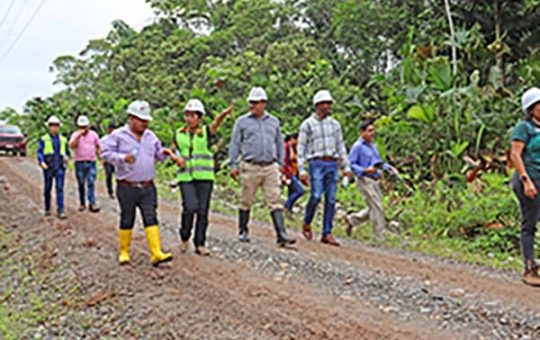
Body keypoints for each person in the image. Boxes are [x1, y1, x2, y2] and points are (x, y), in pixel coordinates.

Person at [101, 100, 173, 267]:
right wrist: (122, 158)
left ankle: (156, 252)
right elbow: (105, 153)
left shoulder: (151, 136)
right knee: (127, 217)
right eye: (141, 120)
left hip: (148, 186)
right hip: (127, 186)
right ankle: (124, 251)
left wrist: (166, 153)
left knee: (151, 216)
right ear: (131, 118)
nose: (144, 123)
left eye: (146, 120)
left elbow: (158, 155)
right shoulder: (118, 135)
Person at [229, 87, 296, 246]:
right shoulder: (242, 122)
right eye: (250, 103)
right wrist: (233, 163)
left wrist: (280, 164)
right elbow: (235, 143)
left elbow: (279, 143)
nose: (252, 106)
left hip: (270, 167)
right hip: (250, 166)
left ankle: (281, 234)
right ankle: (243, 230)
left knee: (275, 200)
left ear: (263, 103)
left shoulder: (273, 122)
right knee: (246, 199)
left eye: (255, 103)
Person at [170, 99, 233, 256]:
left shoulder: (205, 132)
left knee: (203, 211)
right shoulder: (179, 133)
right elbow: (173, 151)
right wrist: (176, 158)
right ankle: (184, 237)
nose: (190, 119)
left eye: (193, 115)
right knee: (190, 207)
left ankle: (200, 243)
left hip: (205, 176)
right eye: (187, 115)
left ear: (199, 118)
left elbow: (216, 123)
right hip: (186, 177)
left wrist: (223, 114)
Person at [297, 90, 352, 246]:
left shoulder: (335, 125)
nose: (329, 106)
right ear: (318, 105)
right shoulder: (307, 125)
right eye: (326, 103)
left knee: (331, 198)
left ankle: (327, 232)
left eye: (330, 103)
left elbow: (341, 146)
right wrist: (302, 170)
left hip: (332, 163)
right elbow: (301, 149)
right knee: (315, 195)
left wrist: (345, 166)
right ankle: (307, 221)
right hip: (316, 163)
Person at [346, 120, 398, 241]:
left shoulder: (373, 145)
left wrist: (390, 168)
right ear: (362, 132)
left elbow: (378, 162)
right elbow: (351, 164)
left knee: (374, 207)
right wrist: (364, 170)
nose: (372, 133)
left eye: (373, 130)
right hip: (365, 179)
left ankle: (352, 220)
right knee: (377, 207)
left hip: (375, 179)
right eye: (369, 131)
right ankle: (379, 236)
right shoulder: (357, 146)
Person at [510, 87, 540, 286]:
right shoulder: (524, 128)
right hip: (528, 179)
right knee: (529, 224)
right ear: (532, 108)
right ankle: (529, 269)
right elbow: (515, 155)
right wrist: (525, 180)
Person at [37, 115, 70, 219]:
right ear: (49, 127)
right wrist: (41, 162)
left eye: (56, 125)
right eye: (52, 125)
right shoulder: (44, 139)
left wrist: (67, 158)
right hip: (48, 167)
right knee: (48, 188)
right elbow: (40, 152)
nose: (54, 128)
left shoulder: (63, 140)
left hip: (60, 167)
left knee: (59, 188)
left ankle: (60, 210)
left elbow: (68, 152)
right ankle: (47, 208)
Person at [69, 115, 101, 212]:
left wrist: (101, 158)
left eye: (85, 127)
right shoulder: (75, 135)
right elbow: (71, 146)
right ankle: (82, 203)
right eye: (81, 127)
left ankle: (92, 203)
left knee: (91, 182)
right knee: (81, 183)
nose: (83, 129)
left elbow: (98, 146)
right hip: (79, 162)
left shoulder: (94, 135)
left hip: (91, 162)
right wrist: (79, 136)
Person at [283, 133, 305, 213]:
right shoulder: (285, 147)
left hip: (294, 172)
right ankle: (286, 205)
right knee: (300, 191)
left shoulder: (294, 148)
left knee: (291, 191)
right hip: (289, 172)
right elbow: (284, 161)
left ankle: (289, 209)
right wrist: (285, 174)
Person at [101, 122, 117, 199]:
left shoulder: (119, 139)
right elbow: (100, 149)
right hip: (108, 161)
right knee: (109, 176)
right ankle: (110, 191)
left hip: (117, 161)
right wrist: (102, 159)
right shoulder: (104, 139)